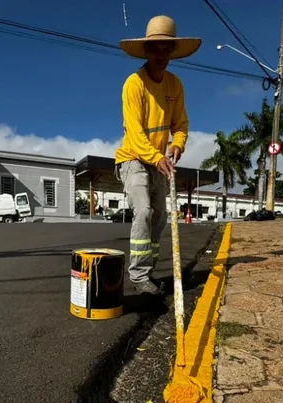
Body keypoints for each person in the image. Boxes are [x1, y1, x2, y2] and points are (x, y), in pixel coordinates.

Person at [115, 15, 201, 296]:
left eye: (167, 48)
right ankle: (138, 275)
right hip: (133, 159)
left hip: (159, 162)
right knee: (144, 211)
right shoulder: (134, 84)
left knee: (161, 217)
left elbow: (181, 125)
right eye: (157, 48)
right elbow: (136, 133)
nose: (162, 54)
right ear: (147, 51)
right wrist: (156, 157)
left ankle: (148, 270)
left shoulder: (175, 86)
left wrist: (178, 145)